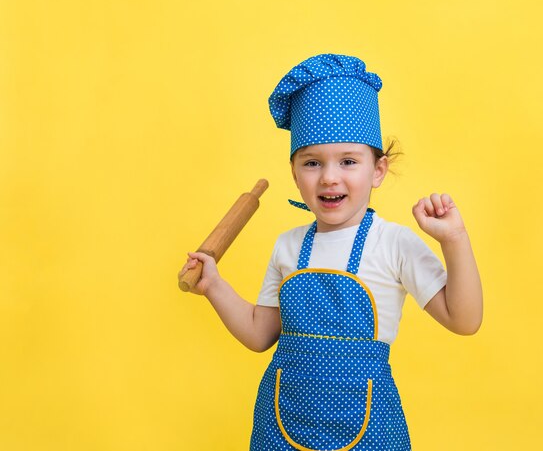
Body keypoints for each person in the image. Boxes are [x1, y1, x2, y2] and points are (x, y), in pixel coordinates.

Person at [178, 53, 483, 450]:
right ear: (294, 172)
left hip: (369, 428)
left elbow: (465, 319)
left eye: (349, 161)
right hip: (281, 425)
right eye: (312, 163)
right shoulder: (287, 246)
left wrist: (454, 240)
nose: (329, 177)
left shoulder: (393, 243)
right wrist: (214, 286)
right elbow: (259, 334)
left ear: (378, 170)